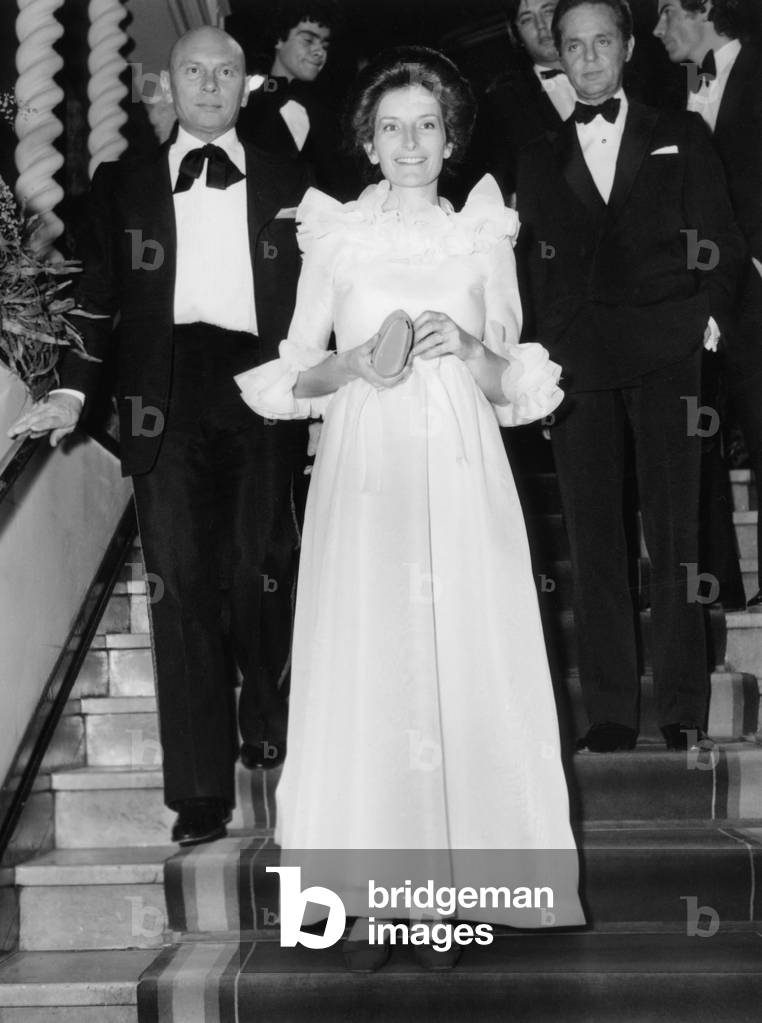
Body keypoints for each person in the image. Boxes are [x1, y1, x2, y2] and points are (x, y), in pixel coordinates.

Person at [236, 46, 585, 971]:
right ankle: (356, 902)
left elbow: (516, 380)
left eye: (426, 125)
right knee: (371, 665)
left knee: (456, 664)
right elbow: (293, 370)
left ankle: (440, 907)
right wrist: (353, 363)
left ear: (450, 136)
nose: (410, 142)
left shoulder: (483, 234)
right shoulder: (336, 236)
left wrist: (467, 342)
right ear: (366, 138)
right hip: (365, 465)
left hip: (461, 466)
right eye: (391, 126)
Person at [8, 27, 310, 848]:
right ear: (166, 86)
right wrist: (73, 391)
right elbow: (99, 297)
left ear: (247, 85)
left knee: (260, 569)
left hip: (263, 381)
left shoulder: (296, 178)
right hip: (161, 392)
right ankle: (201, 793)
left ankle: (266, 702)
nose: (210, 84)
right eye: (193, 71)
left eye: (226, 71)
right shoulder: (125, 182)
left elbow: (332, 288)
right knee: (179, 586)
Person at [516, 0, 745, 753]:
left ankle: (682, 704)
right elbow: (532, 271)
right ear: (559, 52)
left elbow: (720, 235)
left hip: (666, 349)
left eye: (601, 43)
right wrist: (542, 357)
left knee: (677, 533)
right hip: (580, 361)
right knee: (593, 538)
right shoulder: (539, 152)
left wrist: (703, 319)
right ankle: (611, 709)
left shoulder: (679, 132)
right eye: (574, 46)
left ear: (626, 47)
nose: (588, 60)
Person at [653, 0, 762, 608]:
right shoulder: (667, 93)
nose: (656, 26)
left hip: (757, 290)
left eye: (667, 9)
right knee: (697, 438)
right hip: (691, 296)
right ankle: (717, 591)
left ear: (707, 8)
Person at [237, 1, 356, 199]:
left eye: (324, 45)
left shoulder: (327, 114)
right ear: (279, 39)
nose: (320, 52)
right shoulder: (246, 98)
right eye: (308, 40)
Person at [475, 0, 576, 201]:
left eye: (548, 11)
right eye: (527, 19)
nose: (541, 25)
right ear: (516, 34)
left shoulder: (624, 72)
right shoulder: (501, 104)